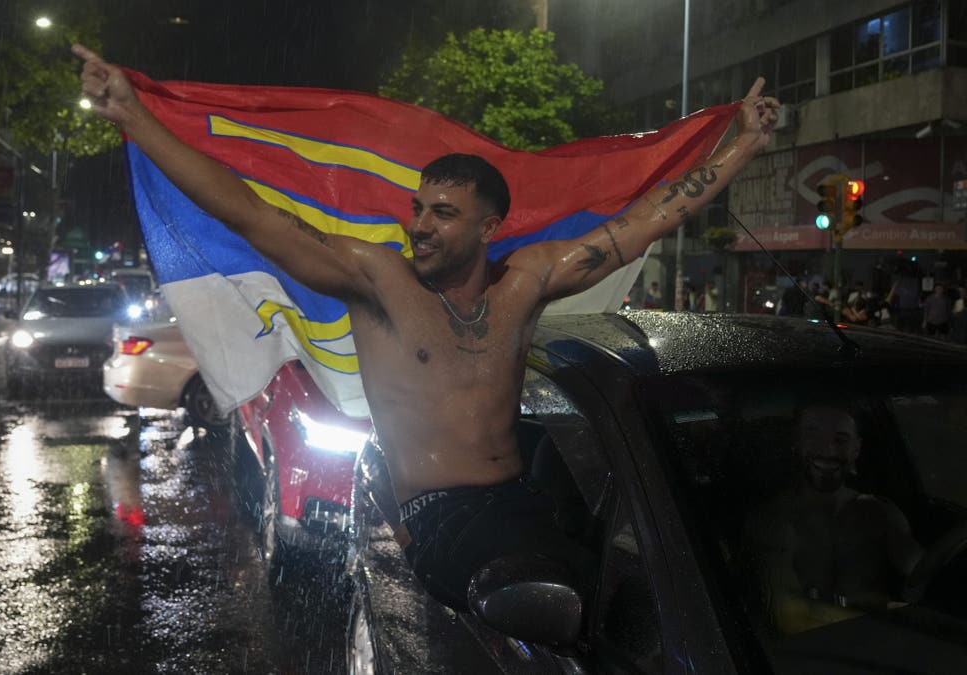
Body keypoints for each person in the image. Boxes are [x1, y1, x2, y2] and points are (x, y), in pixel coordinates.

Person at [75, 44, 781, 610]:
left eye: (442, 213)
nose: (419, 224)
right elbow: (251, 214)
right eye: (419, 208)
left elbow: (643, 222)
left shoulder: (526, 282)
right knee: (579, 605)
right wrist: (136, 118)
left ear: (489, 227)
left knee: (673, 586)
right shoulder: (378, 281)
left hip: (521, 497)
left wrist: (741, 147)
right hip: (439, 517)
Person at [742, 400, 923, 635]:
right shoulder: (771, 521)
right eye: (813, 435)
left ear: (856, 449)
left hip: (896, 648)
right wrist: (890, 615)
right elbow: (791, 617)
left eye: (841, 438)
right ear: (794, 442)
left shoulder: (881, 512)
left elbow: (928, 574)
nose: (828, 450)